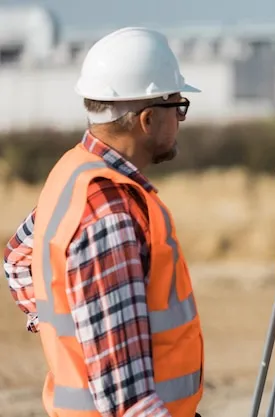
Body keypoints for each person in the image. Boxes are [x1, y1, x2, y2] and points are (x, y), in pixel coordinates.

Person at [3, 27, 204, 417]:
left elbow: (16, 260)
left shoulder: (74, 172)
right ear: (147, 120)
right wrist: (87, 333)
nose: (181, 119)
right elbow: (128, 401)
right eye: (178, 107)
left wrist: (76, 332)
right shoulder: (108, 212)